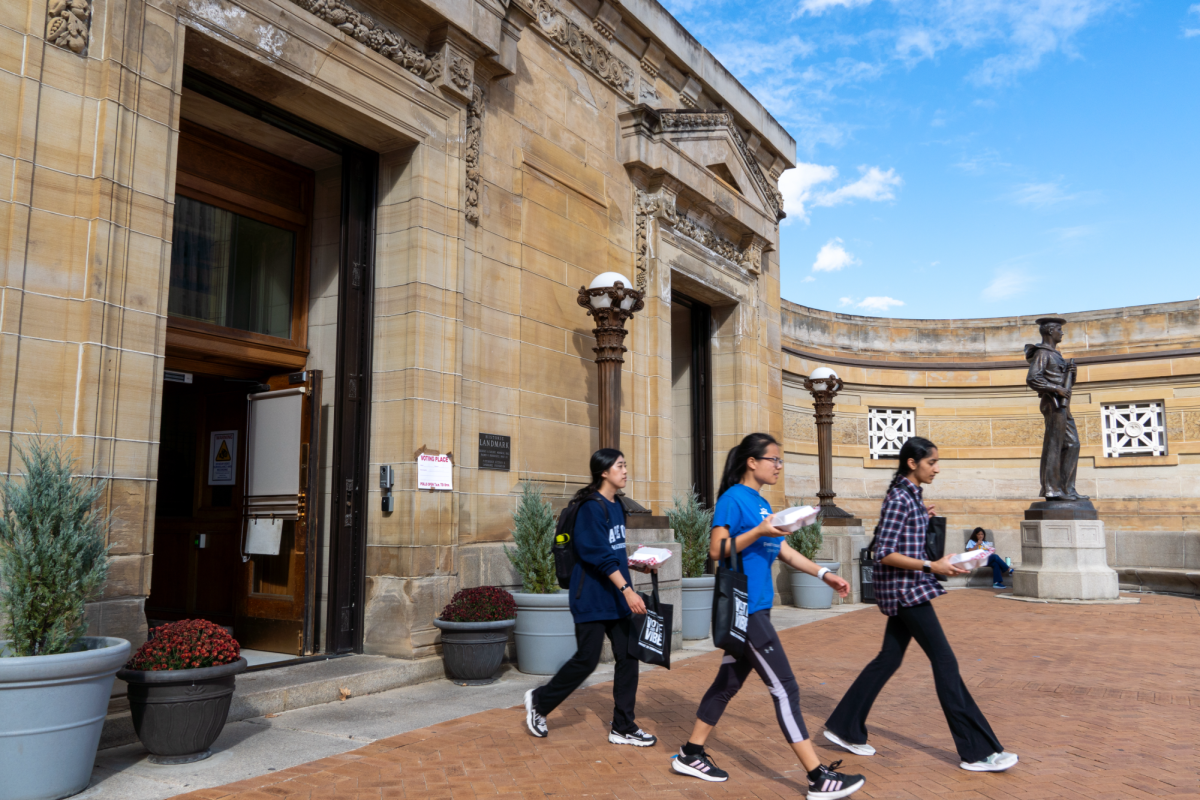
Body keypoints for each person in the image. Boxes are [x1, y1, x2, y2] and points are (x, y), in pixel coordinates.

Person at [671, 433, 866, 800]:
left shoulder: (761, 503)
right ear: (752, 461)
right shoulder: (733, 500)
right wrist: (759, 530)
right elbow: (716, 550)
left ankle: (690, 753)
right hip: (745, 611)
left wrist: (825, 574)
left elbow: (784, 552)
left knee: (727, 684)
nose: (779, 466)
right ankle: (817, 777)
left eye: (779, 460)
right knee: (785, 687)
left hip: (757, 607)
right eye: (773, 459)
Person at [822, 437, 1018, 773]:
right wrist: (932, 566)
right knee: (945, 662)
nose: (936, 468)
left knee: (888, 659)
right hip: (906, 591)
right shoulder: (901, 497)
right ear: (912, 463)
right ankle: (976, 751)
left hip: (907, 589)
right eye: (931, 463)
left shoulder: (909, 496)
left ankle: (844, 726)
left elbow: (899, 536)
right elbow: (884, 551)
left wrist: (921, 517)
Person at [523, 448, 658, 747]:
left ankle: (623, 725)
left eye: (625, 465)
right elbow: (595, 554)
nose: (625, 471)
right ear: (604, 472)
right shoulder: (590, 508)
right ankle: (540, 701)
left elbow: (613, 551)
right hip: (592, 598)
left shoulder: (617, 506)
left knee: (628, 656)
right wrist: (628, 590)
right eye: (620, 466)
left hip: (615, 597)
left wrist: (637, 564)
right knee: (587, 660)